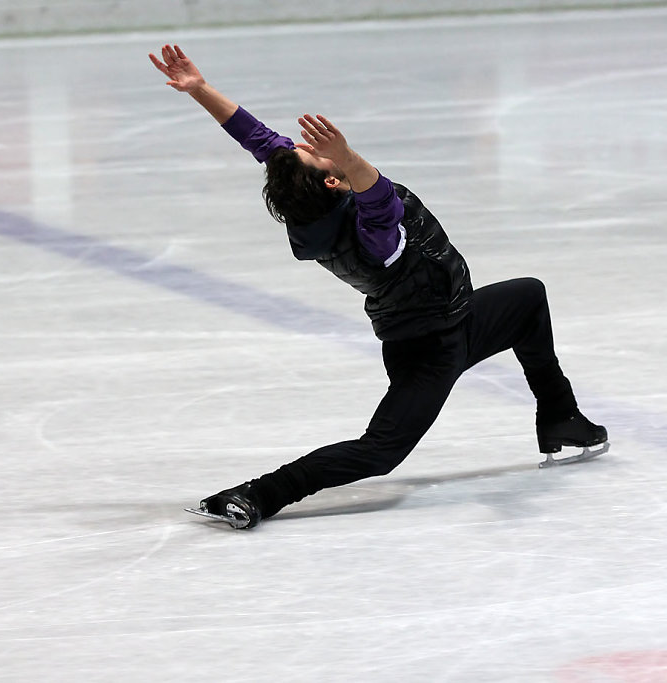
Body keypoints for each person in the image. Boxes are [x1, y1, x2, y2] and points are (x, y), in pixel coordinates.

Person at [149, 44, 608, 529]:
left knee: (527, 297)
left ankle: (562, 418)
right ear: (331, 183)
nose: (303, 147)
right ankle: (259, 494)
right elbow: (378, 194)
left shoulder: (307, 202)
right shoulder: (372, 234)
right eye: (317, 157)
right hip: (429, 348)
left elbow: (259, 140)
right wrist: (346, 155)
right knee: (381, 451)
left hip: (455, 316)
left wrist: (201, 90)